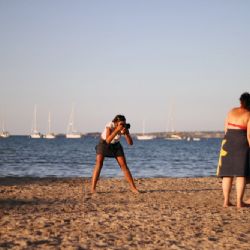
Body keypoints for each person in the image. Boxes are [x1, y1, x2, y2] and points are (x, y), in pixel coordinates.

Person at [217, 92, 250, 208]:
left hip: (228, 142)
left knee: (227, 174)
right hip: (242, 143)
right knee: (241, 174)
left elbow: (225, 129)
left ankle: (226, 201)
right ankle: (239, 202)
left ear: (240, 101)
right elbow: (249, 135)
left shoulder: (231, 111)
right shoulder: (249, 114)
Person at [91, 114, 139, 194]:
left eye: (124, 123)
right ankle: (93, 189)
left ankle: (133, 188)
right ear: (115, 123)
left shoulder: (124, 127)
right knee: (99, 164)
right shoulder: (110, 125)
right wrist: (117, 130)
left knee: (124, 165)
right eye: (121, 124)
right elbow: (108, 141)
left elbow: (130, 143)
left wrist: (126, 133)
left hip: (116, 145)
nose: (122, 125)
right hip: (104, 144)